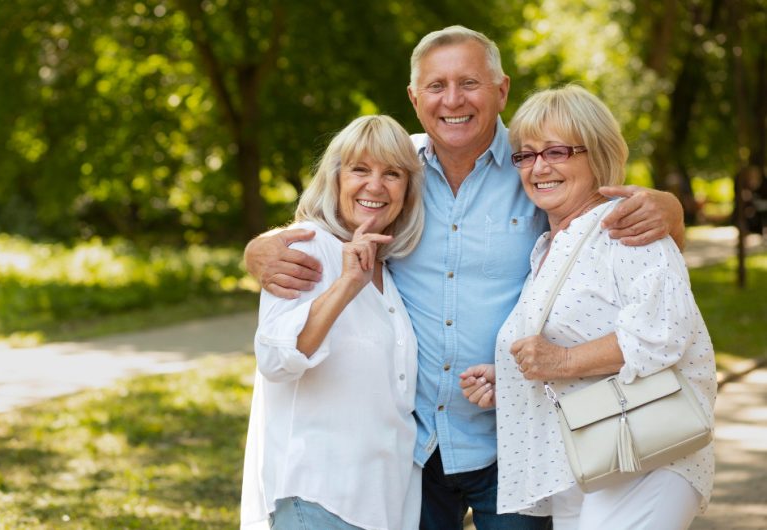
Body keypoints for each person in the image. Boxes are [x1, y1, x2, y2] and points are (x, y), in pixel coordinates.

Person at [244, 26, 686, 530]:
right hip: (414, 453)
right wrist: (257, 250)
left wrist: (670, 211)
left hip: (515, 442)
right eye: (436, 86)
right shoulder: (394, 171)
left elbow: (604, 228)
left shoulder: (534, 169)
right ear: (415, 98)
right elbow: (327, 219)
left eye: (470, 83)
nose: (452, 99)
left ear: (501, 91)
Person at [461, 85, 716, 529]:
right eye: (526, 155)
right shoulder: (547, 247)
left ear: (596, 154)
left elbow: (662, 334)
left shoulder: (625, 225)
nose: (539, 167)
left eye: (556, 151)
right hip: (587, 457)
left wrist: (560, 360)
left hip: (648, 453)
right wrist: (514, 376)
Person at [240, 115, 425, 530]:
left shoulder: (390, 271)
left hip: (383, 507)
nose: (375, 186)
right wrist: (346, 285)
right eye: (360, 169)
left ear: (408, 191)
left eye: (392, 173)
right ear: (336, 178)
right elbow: (275, 357)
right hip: (319, 500)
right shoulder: (306, 245)